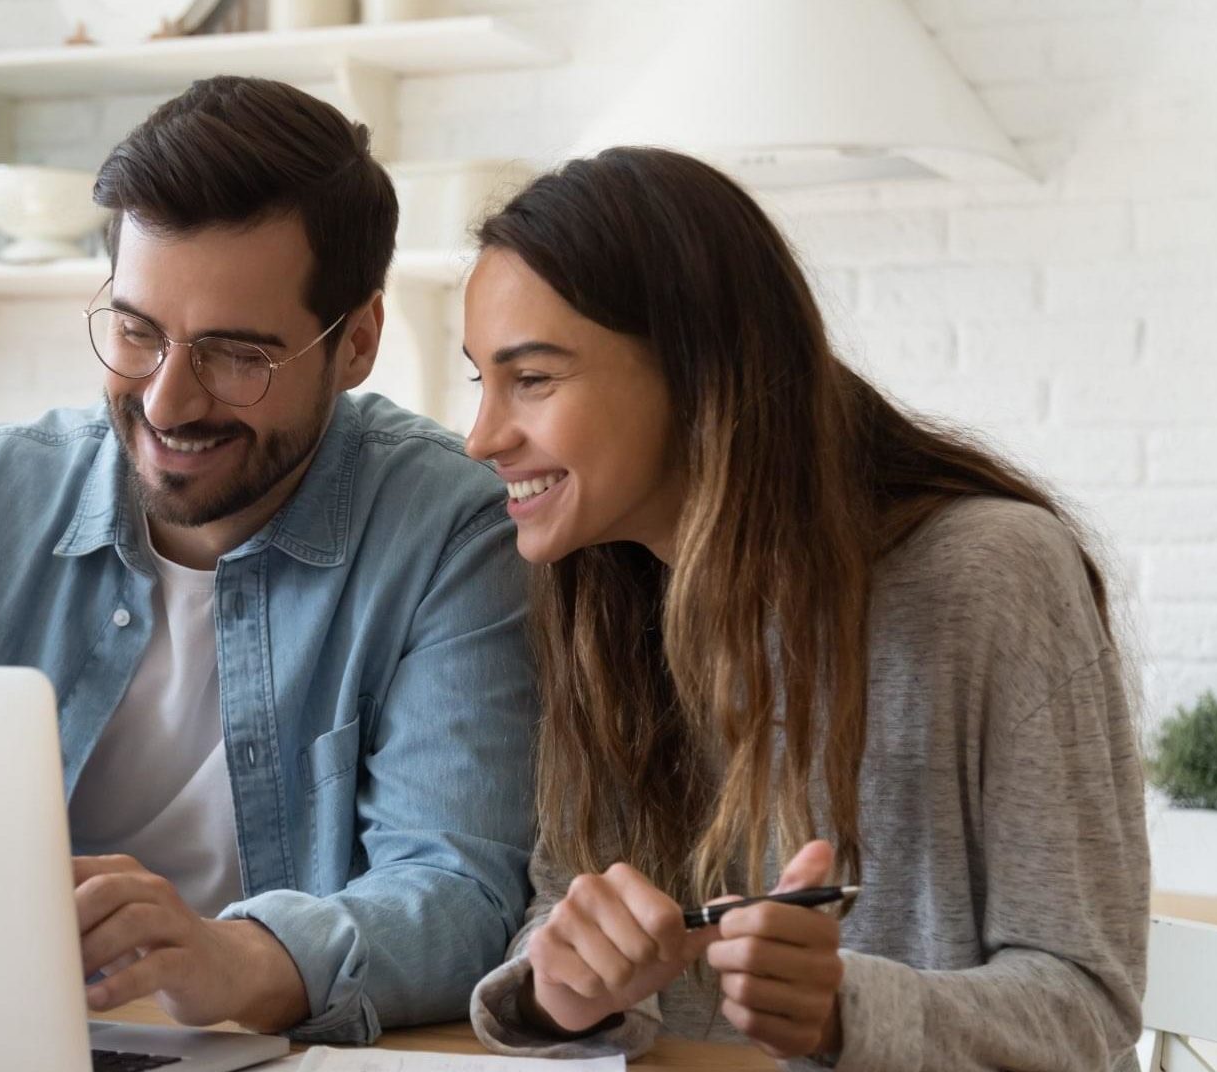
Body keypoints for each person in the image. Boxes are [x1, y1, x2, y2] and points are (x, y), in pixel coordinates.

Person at [0, 76, 538, 1045]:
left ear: (358, 342)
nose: (168, 402)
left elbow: (459, 891)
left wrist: (235, 959)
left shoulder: (448, 532)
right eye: (136, 331)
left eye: (235, 354)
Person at [460, 147, 1148, 1070]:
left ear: (698, 370)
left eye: (533, 379)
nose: (481, 438)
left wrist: (842, 1012)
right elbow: (564, 907)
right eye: (481, 381)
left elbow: (1088, 1008)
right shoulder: (606, 595)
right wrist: (561, 991)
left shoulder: (991, 577)